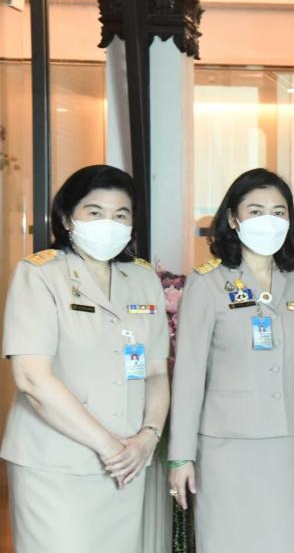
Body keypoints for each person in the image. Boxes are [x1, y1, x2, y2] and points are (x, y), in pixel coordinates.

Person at [1, 164, 170, 551]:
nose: (109, 223)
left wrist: (148, 437)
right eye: (95, 212)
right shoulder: (40, 275)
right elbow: (31, 378)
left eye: (120, 215)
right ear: (66, 218)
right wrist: (108, 446)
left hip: (127, 463)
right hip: (56, 465)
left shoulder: (142, 279)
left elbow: (156, 372)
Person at [167, 168, 294, 553]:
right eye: (255, 211)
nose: (268, 220)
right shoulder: (208, 282)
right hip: (226, 445)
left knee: (280, 542)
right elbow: (189, 375)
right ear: (233, 218)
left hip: (287, 443)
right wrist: (180, 457)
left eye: (278, 211)